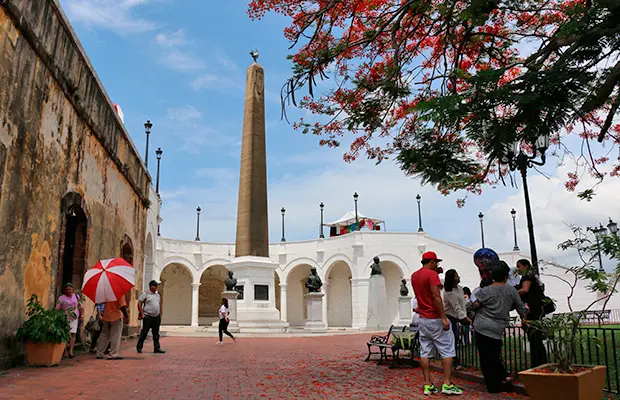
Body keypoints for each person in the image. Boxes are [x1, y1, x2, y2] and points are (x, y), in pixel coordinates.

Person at [411, 251, 463, 396]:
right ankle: (446, 383)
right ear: (432, 261)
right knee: (447, 350)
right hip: (434, 317)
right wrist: (443, 317)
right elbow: (435, 296)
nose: (438, 265)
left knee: (425, 351)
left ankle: (427, 384)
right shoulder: (432, 275)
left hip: (423, 318)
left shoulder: (415, 275)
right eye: (436, 263)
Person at [471, 261, 527, 393]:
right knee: (495, 354)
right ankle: (502, 377)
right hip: (497, 327)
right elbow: (520, 307)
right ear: (506, 276)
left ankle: (492, 384)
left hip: (481, 325)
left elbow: (474, 304)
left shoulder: (485, 290)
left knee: (485, 357)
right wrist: (524, 319)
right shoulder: (511, 290)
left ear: (492, 276)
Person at [515, 259, 548, 367]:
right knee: (534, 337)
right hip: (535, 310)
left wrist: (512, 292)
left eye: (519, 266)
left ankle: (538, 361)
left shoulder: (527, 277)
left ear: (526, 266)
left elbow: (525, 289)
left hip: (532, 310)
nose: (517, 268)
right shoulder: (533, 277)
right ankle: (540, 360)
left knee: (534, 336)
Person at [443, 270, 471, 368]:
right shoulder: (449, 291)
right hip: (450, 317)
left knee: (456, 339)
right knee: (452, 340)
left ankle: (455, 361)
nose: (458, 277)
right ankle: (454, 362)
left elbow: (462, 303)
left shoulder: (459, 288)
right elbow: (456, 306)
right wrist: (465, 317)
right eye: (456, 276)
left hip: (458, 316)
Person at [137, 280, 165, 354]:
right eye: (155, 286)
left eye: (156, 286)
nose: (156, 287)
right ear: (151, 286)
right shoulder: (145, 294)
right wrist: (142, 314)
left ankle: (157, 348)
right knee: (144, 332)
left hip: (156, 317)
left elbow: (159, 304)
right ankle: (139, 347)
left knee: (156, 334)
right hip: (148, 316)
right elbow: (139, 303)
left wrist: (160, 314)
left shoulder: (157, 295)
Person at [55, 283, 83, 358]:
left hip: (74, 318)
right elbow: (57, 308)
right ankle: (65, 351)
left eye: (70, 289)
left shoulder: (76, 296)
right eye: (67, 290)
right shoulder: (61, 298)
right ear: (64, 290)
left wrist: (81, 315)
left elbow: (80, 306)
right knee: (66, 334)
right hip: (65, 317)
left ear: (72, 289)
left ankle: (71, 350)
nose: (68, 291)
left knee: (73, 334)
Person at [96, 295, 128, 360]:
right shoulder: (120, 293)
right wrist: (126, 315)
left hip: (106, 315)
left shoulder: (107, 292)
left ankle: (99, 353)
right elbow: (122, 306)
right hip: (116, 316)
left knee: (104, 335)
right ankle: (113, 354)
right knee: (115, 335)